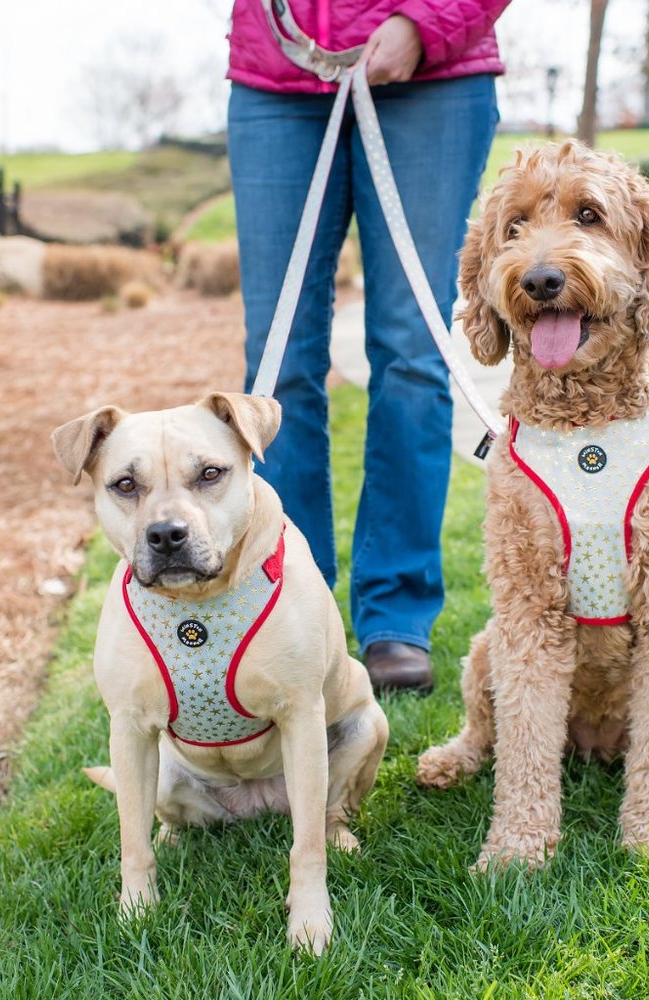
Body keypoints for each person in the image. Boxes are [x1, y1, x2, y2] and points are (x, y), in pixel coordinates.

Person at [227, 1, 509, 693]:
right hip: (275, 79)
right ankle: (290, 602)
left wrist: (425, 22)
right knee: (277, 361)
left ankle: (396, 619)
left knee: (413, 350)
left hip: (434, 77)